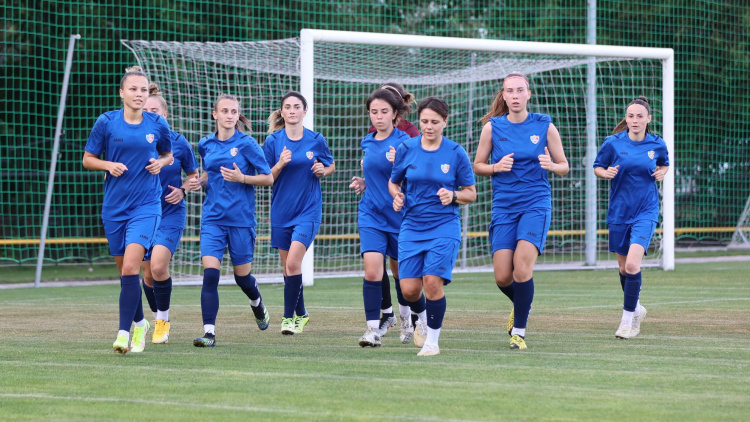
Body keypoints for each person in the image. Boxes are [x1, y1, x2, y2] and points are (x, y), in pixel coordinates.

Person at [473, 71, 569, 350]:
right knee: (503, 276)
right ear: (503, 95)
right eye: (509, 91)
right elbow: (478, 165)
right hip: (504, 206)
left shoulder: (544, 125)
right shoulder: (492, 127)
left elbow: (564, 166)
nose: (515, 96)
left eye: (520, 90)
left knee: (521, 268)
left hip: (535, 203)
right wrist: (494, 167)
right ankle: (521, 304)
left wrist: (552, 166)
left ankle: (519, 332)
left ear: (529, 93)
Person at [82, 65, 173, 354]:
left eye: (143, 90)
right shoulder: (106, 122)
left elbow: (168, 154)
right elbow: (88, 158)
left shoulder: (157, 124)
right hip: (114, 208)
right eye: (133, 89)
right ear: (122, 93)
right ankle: (140, 323)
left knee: (133, 267)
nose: (138, 94)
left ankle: (124, 333)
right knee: (126, 275)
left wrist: (162, 163)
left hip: (146, 206)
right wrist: (108, 164)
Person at [388, 96, 477, 356]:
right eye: (424, 121)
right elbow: (394, 182)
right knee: (409, 289)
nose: (428, 126)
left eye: (435, 122)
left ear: (445, 122)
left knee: (432, 282)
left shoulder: (455, 152)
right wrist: (397, 196)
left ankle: (432, 343)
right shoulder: (406, 148)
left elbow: (471, 192)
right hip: (412, 226)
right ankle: (422, 317)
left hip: (444, 226)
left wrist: (454, 195)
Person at [188, 93, 274, 348]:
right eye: (224, 111)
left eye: (233, 112)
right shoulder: (205, 144)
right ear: (215, 114)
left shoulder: (247, 144)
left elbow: (268, 178)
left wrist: (243, 179)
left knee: (242, 277)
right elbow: (208, 173)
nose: (229, 116)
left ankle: (257, 302)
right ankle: (209, 333)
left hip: (240, 220)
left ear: (238, 116)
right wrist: (198, 182)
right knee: (210, 274)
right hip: (213, 219)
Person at [593, 96, 668, 339]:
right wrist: (606, 173)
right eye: (630, 116)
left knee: (634, 264)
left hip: (645, 211)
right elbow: (598, 166)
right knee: (625, 269)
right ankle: (636, 308)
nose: (634, 120)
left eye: (639, 116)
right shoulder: (613, 143)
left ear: (648, 119)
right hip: (619, 212)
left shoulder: (657, 144)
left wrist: (662, 172)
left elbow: (664, 164)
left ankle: (628, 322)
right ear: (626, 119)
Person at [350, 87, 420, 347]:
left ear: (395, 114)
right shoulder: (367, 141)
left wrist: (399, 163)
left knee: (404, 277)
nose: (378, 117)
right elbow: (376, 174)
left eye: (384, 112)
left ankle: (407, 320)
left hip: (400, 217)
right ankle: (372, 331)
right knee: (372, 272)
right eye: (373, 112)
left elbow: (420, 178)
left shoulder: (408, 143)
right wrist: (363, 182)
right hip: (371, 214)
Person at [263, 91, 335, 335]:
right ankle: (302, 314)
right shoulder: (273, 142)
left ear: (305, 111)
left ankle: (287, 319)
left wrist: (322, 171)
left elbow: (330, 165)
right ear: (282, 112)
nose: (292, 110)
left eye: (297, 106)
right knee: (288, 269)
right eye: (287, 107)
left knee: (293, 263)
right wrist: (280, 164)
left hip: (308, 210)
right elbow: (267, 178)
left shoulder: (316, 140)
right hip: (282, 212)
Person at [137, 83, 199, 345]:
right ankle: (155, 316)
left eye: (156, 111)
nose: (151, 115)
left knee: (159, 266)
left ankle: (163, 320)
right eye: (146, 110)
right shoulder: (136, 141)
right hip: (141, 214)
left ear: (165, 115)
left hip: (170, 214)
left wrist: (184, 189)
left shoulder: (179, 143)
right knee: (147, 275)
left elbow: (194, 175)